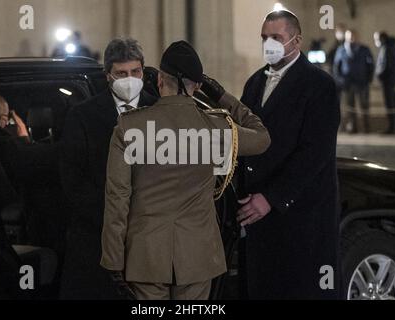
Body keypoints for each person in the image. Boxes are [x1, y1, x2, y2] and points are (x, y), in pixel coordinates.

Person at [100, 40, 271, 300]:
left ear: (159, 81)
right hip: (197, 256)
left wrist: (113, 260)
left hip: (146, 255)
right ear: (199, 86)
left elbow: (117, 198)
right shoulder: (217, 128)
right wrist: (221, 95)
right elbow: (262, 137)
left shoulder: (128, 127)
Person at [239, 10, 340, 299]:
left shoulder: (319, 86)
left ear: (296, 41)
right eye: (264, 38)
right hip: (258, 216)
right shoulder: (255, 83)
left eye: (276, 38)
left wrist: (272, 197)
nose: (268, 44)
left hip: (300, 216)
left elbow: (314, 153)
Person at [59, 37, 158, 299]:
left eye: (135, 72)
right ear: (108, 76)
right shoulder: (83, 115)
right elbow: (72, 180)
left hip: (150, 239)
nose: (129, 79)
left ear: (143, 71)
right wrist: (116, 217)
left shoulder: (160, 111)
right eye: (121, 73)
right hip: (96, 237)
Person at [333, 29, 374, 133]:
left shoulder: (365, 49)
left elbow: (370, 65)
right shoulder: (341, 50)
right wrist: (341, 80)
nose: (351, 38)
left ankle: (366, 127)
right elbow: (336, 67)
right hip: (348, 83)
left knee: (364, 105)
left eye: (353, 36)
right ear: (346, 37)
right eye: (349, 36)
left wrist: (369, 79)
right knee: (350, 106)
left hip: (362, 82)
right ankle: (352, 127)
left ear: (357, 37)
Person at [374, 31, 395, 134]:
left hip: (388, 80)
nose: (376, 41)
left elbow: (386, 66)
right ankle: (393, 127)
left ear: (382, 39)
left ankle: (393, 128)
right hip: (390, 80)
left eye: (377, 39)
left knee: (390, 105)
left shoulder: (387, 49)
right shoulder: (389, 48)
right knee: (391, 104)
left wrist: (380, 76)